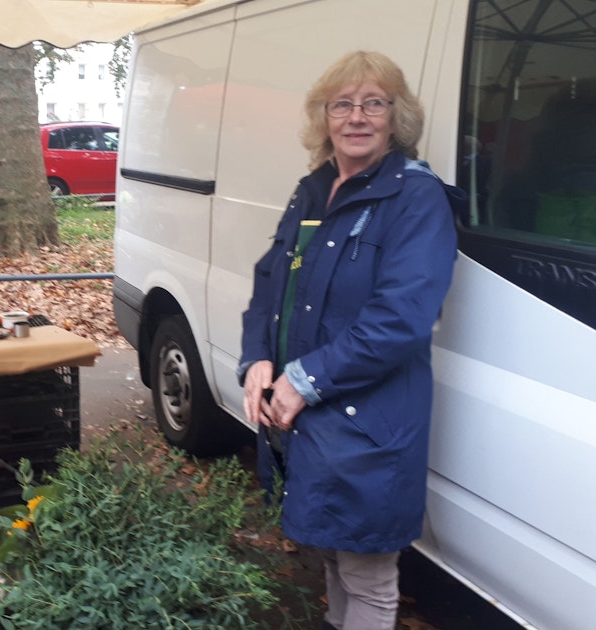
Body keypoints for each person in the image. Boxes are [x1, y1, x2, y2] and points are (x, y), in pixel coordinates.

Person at [238, 51, 460, 630]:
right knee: (334, 553)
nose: (357, 117)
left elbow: (401, 319)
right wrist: (258, 358)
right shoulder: (312, 190)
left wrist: (304, 381)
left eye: (374, 103)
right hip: (309, 415)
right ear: (324, 117)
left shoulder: (416, 197)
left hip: (367, 420)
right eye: (343, 104)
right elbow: (268, 282)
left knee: (367, 574)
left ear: (396, 116)